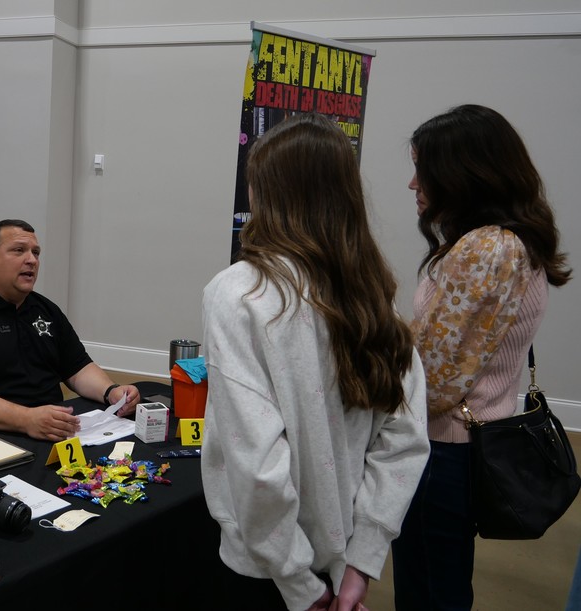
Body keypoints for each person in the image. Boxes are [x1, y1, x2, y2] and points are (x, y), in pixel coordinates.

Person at [200, 112, 430, 611]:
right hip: (338, 560)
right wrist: (360, 566)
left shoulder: (239, 293)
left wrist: (300, 586)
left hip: (270, 573)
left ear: (269, 193)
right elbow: (404, 442)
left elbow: (256, 461)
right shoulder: (373, 295)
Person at [391, 104, 572, 610]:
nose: (412, 183)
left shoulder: (488, 250)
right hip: (460, 446)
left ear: (463, 175)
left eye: (422, 169)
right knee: (441, 583)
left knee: (430, 590)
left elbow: (437, 378)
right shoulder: (505, 243)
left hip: (443, 448)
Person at [0, 219, 140, 442]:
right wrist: (27, 419)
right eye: (19, 251)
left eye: (36, 253)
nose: (32, 260)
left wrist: (111, 391)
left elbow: (77, 367)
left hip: (49, 427)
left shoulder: (45, 309)